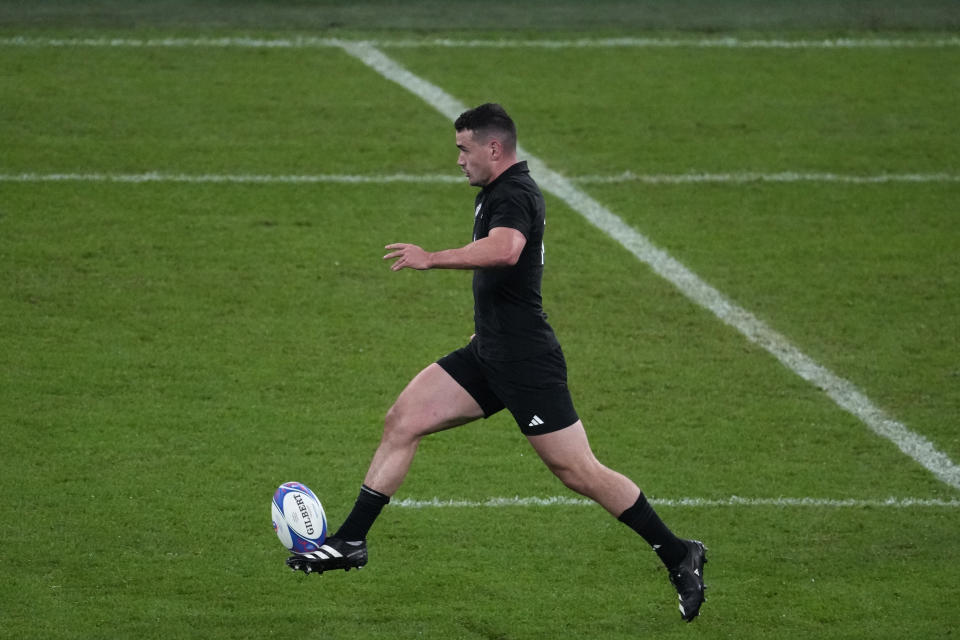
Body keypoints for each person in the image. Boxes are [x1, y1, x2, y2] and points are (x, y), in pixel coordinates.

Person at [287, 103, 707, 622]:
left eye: (464, 149)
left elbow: (507, 251)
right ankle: (351, 541)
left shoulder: (514, 194)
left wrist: (432, 257)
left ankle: (677, 552)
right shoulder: (497, 192)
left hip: (527, 361)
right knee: (403, 420)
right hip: (489, 351)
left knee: (577, 471)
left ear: (493, 149)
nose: (458, 159)